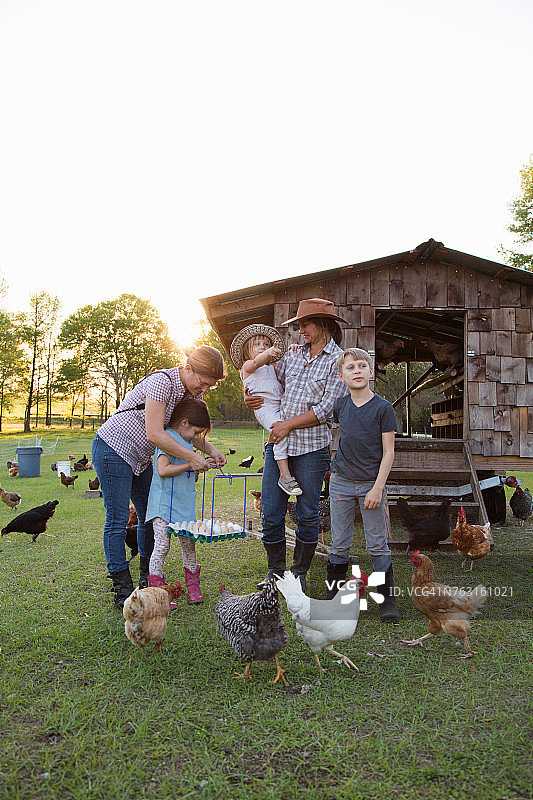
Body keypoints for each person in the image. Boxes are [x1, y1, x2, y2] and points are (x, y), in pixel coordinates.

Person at [92, 345, 227, 608]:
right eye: (203, 382)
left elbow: (187, 432)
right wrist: (191, 458)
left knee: (148, 516)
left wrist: (211, 450)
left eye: (210, 386)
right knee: (118, 518)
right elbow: (155, 433)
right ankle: (122, 590)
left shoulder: (193, 393)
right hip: (114, 448)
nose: (204, 389)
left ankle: (148, 582)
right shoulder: (161, 382)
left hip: (142, 458)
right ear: (188, 369)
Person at [245, 298, 349, 591]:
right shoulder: (291, 356)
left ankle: (298, 572)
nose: (300, 330)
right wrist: (248, 395)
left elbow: (326, 410)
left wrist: (288, 424)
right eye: (299, 325)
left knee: (307, 512)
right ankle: (275, 572)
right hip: (279, 444)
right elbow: (267, 382)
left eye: (305, 324)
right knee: (271, 511)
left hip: (312, 449)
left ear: (324, 325)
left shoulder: (338, 361)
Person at [326, 347, 401, 622]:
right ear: (341, 376)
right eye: (350, 367)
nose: (356, 371)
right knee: (339, 543)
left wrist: (378, 488)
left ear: (371, 372)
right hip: (341, 483)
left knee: (377, 544)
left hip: (371, 484)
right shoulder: (340, 406)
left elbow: (389, 452)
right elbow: (335, 437)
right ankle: (334, 600)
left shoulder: (383, 408)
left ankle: (386, 602)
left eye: (361, 366)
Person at [146, 397, 213, 604]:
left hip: (184, 504)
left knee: (189, 544)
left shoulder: (187, 441)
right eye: (196, 431)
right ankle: (156, 593)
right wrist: (190, 464)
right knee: (162, 546)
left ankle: (193, 586)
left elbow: (188, 471)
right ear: (184, 422)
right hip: (163, 504)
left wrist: (202, 465)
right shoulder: (166, 438)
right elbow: (163, 470)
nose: (196, 437)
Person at [230, 324, 302, 496]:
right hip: (264, 407)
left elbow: (287, 365)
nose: (263, 347)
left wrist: (292, 350)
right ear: (247, 350)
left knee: (285, 431)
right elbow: (257, 362)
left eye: (266, 344)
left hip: (280, 405)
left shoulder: (271, 367)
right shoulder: (248, 366)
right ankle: (285, 475)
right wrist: (269, 352)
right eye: (257, 344)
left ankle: (286, 469)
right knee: (279, 431)